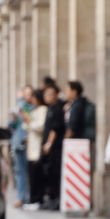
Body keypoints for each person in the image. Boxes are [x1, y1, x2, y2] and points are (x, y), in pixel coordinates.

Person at [41, 82, 66, 210]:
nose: (46, 96)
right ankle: (52, 198)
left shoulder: (57, 109)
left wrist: (49, 143)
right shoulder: (50, 108)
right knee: (49, 173)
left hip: (55, 148)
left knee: (55, 173)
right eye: (46, 94)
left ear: (56, 95)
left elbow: (55, 129)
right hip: (50, 147)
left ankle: (56, 200)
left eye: (49, 94)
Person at [9, 85, 33, 207]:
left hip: (29, 142)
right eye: (26, 94)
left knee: (28, 171)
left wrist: (24, 114)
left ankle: (27, 197)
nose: (27, 97)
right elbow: (11, 126)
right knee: (19, 171)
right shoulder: (19, 107)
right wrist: (13, 118)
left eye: (29, 94)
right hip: (18, 142)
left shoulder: (32, 108)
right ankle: (21, 197)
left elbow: (31, 122)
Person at [24, 89, 47, 209]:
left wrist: (30, 123)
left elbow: (41, 126)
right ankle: (32, 199)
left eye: (33, 97)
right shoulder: (34, 110)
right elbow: (27, 126)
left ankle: (37, 200)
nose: (31, 100)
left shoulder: (43, 110)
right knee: (31, 175)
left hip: (37, 147)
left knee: (37, 176)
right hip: (31, 147)